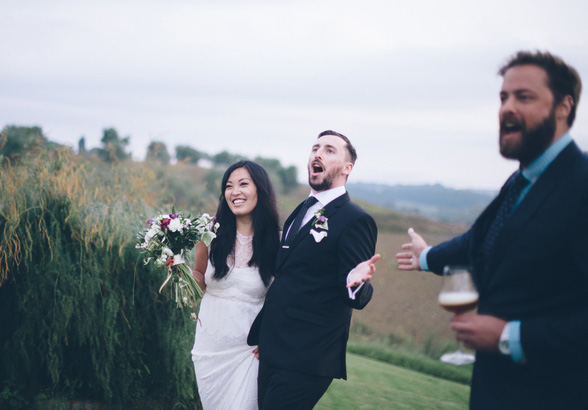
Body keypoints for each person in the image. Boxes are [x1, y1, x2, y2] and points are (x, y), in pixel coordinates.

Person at [396, 51, 588, 409]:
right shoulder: (521, 182)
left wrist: (508, 336)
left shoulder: (581, 186)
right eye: (503, 97)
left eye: (524, 97)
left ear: (564, 106)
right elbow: (481, 239)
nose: (507, 107)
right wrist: (426, 257)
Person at [248, 130, 380, 410]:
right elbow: (288, 272)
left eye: (330, 150)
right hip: (273, 348)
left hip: (307, 358)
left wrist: (355, 282)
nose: (317, 154)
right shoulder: (302, 210)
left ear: (348, 168)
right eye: (315, 148)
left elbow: (356, 294)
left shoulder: (356, 220)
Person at [190, 160, 281, 410]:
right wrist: (179, 269)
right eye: (229, 186)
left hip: (249, 352)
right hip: (210, 348)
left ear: (260, 190)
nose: (235, 191)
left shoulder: (278, 242)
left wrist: (271, 337)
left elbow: (283, 299)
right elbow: (200, 277)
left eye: (243, 184)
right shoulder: (209, 232)